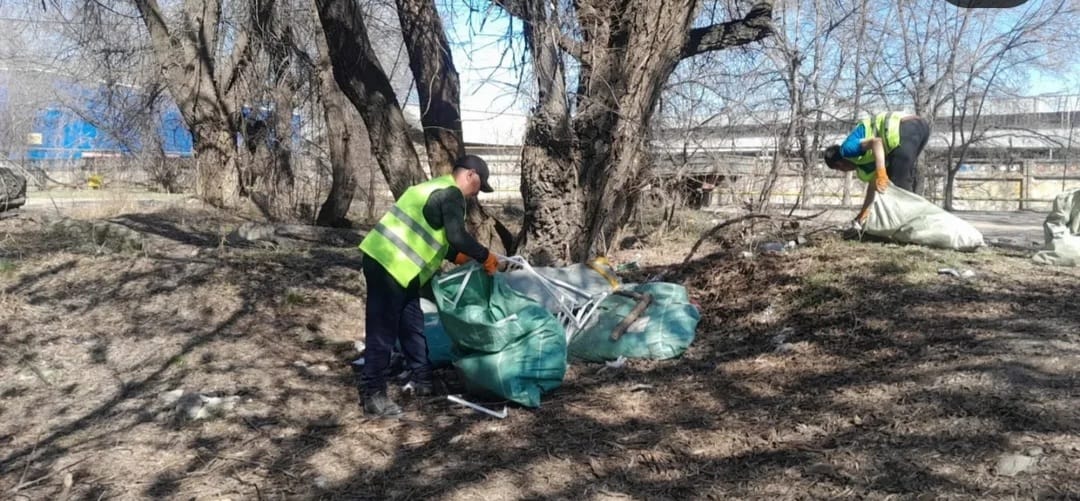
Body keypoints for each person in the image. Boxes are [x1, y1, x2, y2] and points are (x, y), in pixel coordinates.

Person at [357, 154, 499, 418]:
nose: (476, 194)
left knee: (412, 324)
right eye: (479, 186)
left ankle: (422, 379)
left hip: (402, 269)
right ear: (469, 175)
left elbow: (434, 234)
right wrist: (484, 256)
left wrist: (458, 257)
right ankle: (372, 394)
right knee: (383, 331)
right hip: (388, 263)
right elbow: (457, 235)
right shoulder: (451, 193)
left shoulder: (433, 189)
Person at [823, 112, 931, 225]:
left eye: (840, 169)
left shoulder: (847, 149)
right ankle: (912, 223)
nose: (845, 171)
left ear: (839, 164)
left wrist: (881, 172)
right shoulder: (862, 166)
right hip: (920, 129)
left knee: (898, 181)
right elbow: (872, 187)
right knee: (899, 178)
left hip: (907, 127)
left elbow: (876, 142)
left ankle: (909, 224)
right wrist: (862, 213)